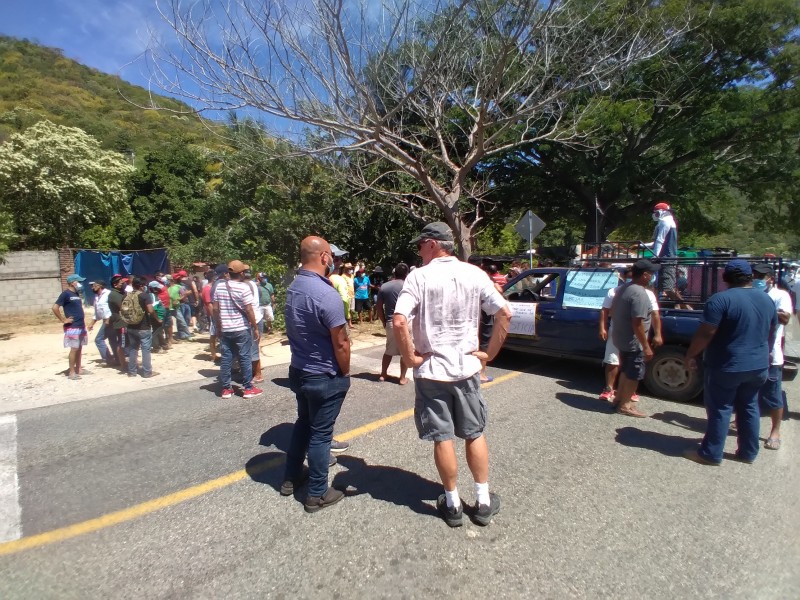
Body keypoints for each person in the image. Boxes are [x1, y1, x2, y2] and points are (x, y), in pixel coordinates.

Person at [393, 222, 512, 527]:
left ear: (433, 244)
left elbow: (398, 320)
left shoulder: (418, 277)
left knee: (443, 437)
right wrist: (489, 354)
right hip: (467, 369)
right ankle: (483, 501)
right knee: (474, 433)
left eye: (420, 245)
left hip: (432, 371)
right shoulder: (475, 273)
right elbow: (504, 313)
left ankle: (453, 503)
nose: (419, 250)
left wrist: (410, 358)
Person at [683, 259, 777, 466]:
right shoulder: (766, 299)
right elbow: (771, 331)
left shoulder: (720, 300)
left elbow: (707, 332)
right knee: (750, 406)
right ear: (750, 277)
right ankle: (748, 452)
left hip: (727, 364)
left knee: (720, 408)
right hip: (758, 364)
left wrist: (691, 354)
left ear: (725, 277)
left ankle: (710, 454)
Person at [281, 236, 351, 513]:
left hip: (299, 369)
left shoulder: (294, 286)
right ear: (324, 257)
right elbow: (342, 342)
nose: (334, 260)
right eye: (332, 255)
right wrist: (345, 372)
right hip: (323, 374)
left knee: (303, 423)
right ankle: (317, 493)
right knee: (321, 435)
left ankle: (291, 476)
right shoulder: (326, 294)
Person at [598, 267, 662, 402]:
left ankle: (628, 392)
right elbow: (605, 310)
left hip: (636, 335)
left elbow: (654, 314)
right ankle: (609, 389)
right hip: (618, 331)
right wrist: (602, 328)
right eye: (628, 277)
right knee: (612, 359)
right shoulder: (615, 291)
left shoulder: (647, 294)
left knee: (631, 364)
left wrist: (657, 334)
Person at [753, 264, 792, 451]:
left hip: (770, 356)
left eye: (761, 276)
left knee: (773, 396)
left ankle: (775, 432)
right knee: (748, 391)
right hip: (751, 354)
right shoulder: (752, 293)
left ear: (770, 278)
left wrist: (761, 311)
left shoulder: (780, 296)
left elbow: (785, 318)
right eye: (754, 275)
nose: (757, 279)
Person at [212, 260, 263, 399]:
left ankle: (226, 389)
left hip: (225, 329)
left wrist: (218, 325)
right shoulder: (244, 288)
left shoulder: (220, 287)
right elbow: (249, 309)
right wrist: (255, 326)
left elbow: (215, 308)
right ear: (241, 273)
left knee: (226, 358)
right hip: (241, 328)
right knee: (244, 357)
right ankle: (248, 388)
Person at [376, 262, 410, 385]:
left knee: (388, 349)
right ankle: (402, 378)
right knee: (405, 351)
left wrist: (384, 321)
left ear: (394, 272)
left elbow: (379, 307)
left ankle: (383, 374)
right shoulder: (408, 285)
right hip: (406, 321)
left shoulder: (384, 286)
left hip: (391, 321)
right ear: (406, 274)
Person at [52, 274, 89, 380]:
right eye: (79, 281)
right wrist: (63, 320)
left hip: (80, 325)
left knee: (79, 348)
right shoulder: (65, 294)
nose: (80, 284)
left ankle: (79, 369)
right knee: (74, 348)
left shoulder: (76, 293)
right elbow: (55, 307)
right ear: (73, 282)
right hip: (72, 326)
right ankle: (72, 372)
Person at [124, 276, 162, 378]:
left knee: (133, 349)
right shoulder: (145, 296)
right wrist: (157, 318)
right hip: (143, 327)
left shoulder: (127, 295)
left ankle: (132, 372)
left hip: (131, 326)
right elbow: (150, 310)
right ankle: (147, 372)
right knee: (145, 350)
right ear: (141, 286)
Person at [651, 202, 681, 302]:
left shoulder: (665, 221)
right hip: (664, 258)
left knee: (668, 288)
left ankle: (687, 308)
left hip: (667, 259)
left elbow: (660, 240)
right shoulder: (664, 222)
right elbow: (657, 242)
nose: (655, 215)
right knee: (659, 287)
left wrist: (655, 256)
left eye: (656, 212)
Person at [243, 269, 265, 383]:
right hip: (257, 317)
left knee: (252, 348)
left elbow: (248, 307)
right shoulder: (254, 284)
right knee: (253, 346)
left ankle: (258, 374)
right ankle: (254, 372)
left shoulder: (245, 286)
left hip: (253, 319)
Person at [88, 280, 114, 366]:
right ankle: (116, 359)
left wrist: (107, 321)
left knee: (99, 339)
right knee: (112, 340)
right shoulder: (96, 297)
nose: (92, 287)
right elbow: (97, 312)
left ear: (100, 286)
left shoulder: (108, 294)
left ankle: (107, 359)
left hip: (110, 320)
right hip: (105, 321)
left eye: (94, 285)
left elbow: (112, 308)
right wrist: (92, 323)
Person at [107, 275, 129, 369]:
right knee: (122, 343)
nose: (123, 284)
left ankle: (126, 362)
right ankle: (123, 364)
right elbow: (124, 307)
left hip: (126, 321)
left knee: (127, 343)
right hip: (121, 322)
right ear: (115, 285)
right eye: (121, 283)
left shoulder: (122, 293)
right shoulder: (114, 295)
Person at [329, 262, 352, 328]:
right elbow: (344, 298)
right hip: (341, 310)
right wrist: (347, 314)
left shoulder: (326, 278)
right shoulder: (341, 279)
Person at [148, 281, 168, 353]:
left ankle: (163, 344)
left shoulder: (155, 295)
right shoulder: (152, 296)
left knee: (159, 331)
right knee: (156, 332)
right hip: (156, 317)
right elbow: (153, 309)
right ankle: (156, 348)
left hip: (159, 317)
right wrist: (158, 318)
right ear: (153, 289)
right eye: (157, 288)